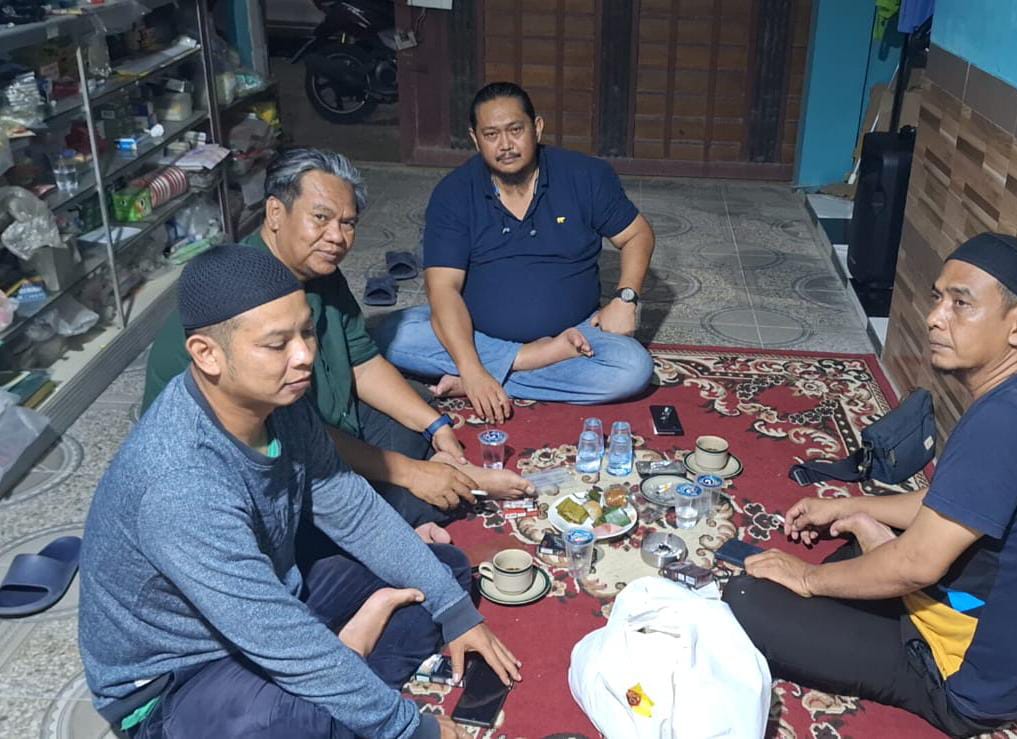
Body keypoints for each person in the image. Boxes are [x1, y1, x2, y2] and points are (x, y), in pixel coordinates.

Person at [81, 246, 519, 739]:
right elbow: (273, 631)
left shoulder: (281, 403)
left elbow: (354, 512)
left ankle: (343, 663)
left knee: (445, 575)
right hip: (179, 678)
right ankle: (344, 663)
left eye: (306, 332)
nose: (305, 356)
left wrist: (455, 613)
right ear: (207, 354)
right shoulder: (179, 483)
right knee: (300, 719)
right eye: (277, 344)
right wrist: (406, 729)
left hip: (273, 598)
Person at [723, 233, 1017, 736]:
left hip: (972, 681)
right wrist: (852, 505)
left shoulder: (1005, 424)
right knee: (856, 546)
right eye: (938, 298)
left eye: (961, 304)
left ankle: (886, 605)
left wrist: (806, 578)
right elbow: (954, 499)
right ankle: (874, 559)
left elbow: (917, 565)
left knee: (748, 598)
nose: (934, 317)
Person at [141, 148, 532, 541]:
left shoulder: (317, 269)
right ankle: (422, 500)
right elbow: (296, 436)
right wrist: (413, 473)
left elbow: (362, 361)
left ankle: (420, 488)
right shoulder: (248, 294)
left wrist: (436, 426)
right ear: (275, 212)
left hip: (322, 420)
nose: (337, 237)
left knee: (414, 407)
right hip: (256, 462)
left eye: (348, 223)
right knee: (338, 508)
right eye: (321, 218)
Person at [372, 82, 656, 423]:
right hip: (478, 334)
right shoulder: (454, 193)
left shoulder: (585, 176)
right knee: (392, 334)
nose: (505, 145)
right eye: (491, 135)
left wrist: (625, 298)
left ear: (537, 128)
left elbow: (637, 234)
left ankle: (493, 374)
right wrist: (473, 367)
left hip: (576, 333)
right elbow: (443, 288)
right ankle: (526, 361)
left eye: (515, 130)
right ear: (475, 138)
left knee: (632, 367)